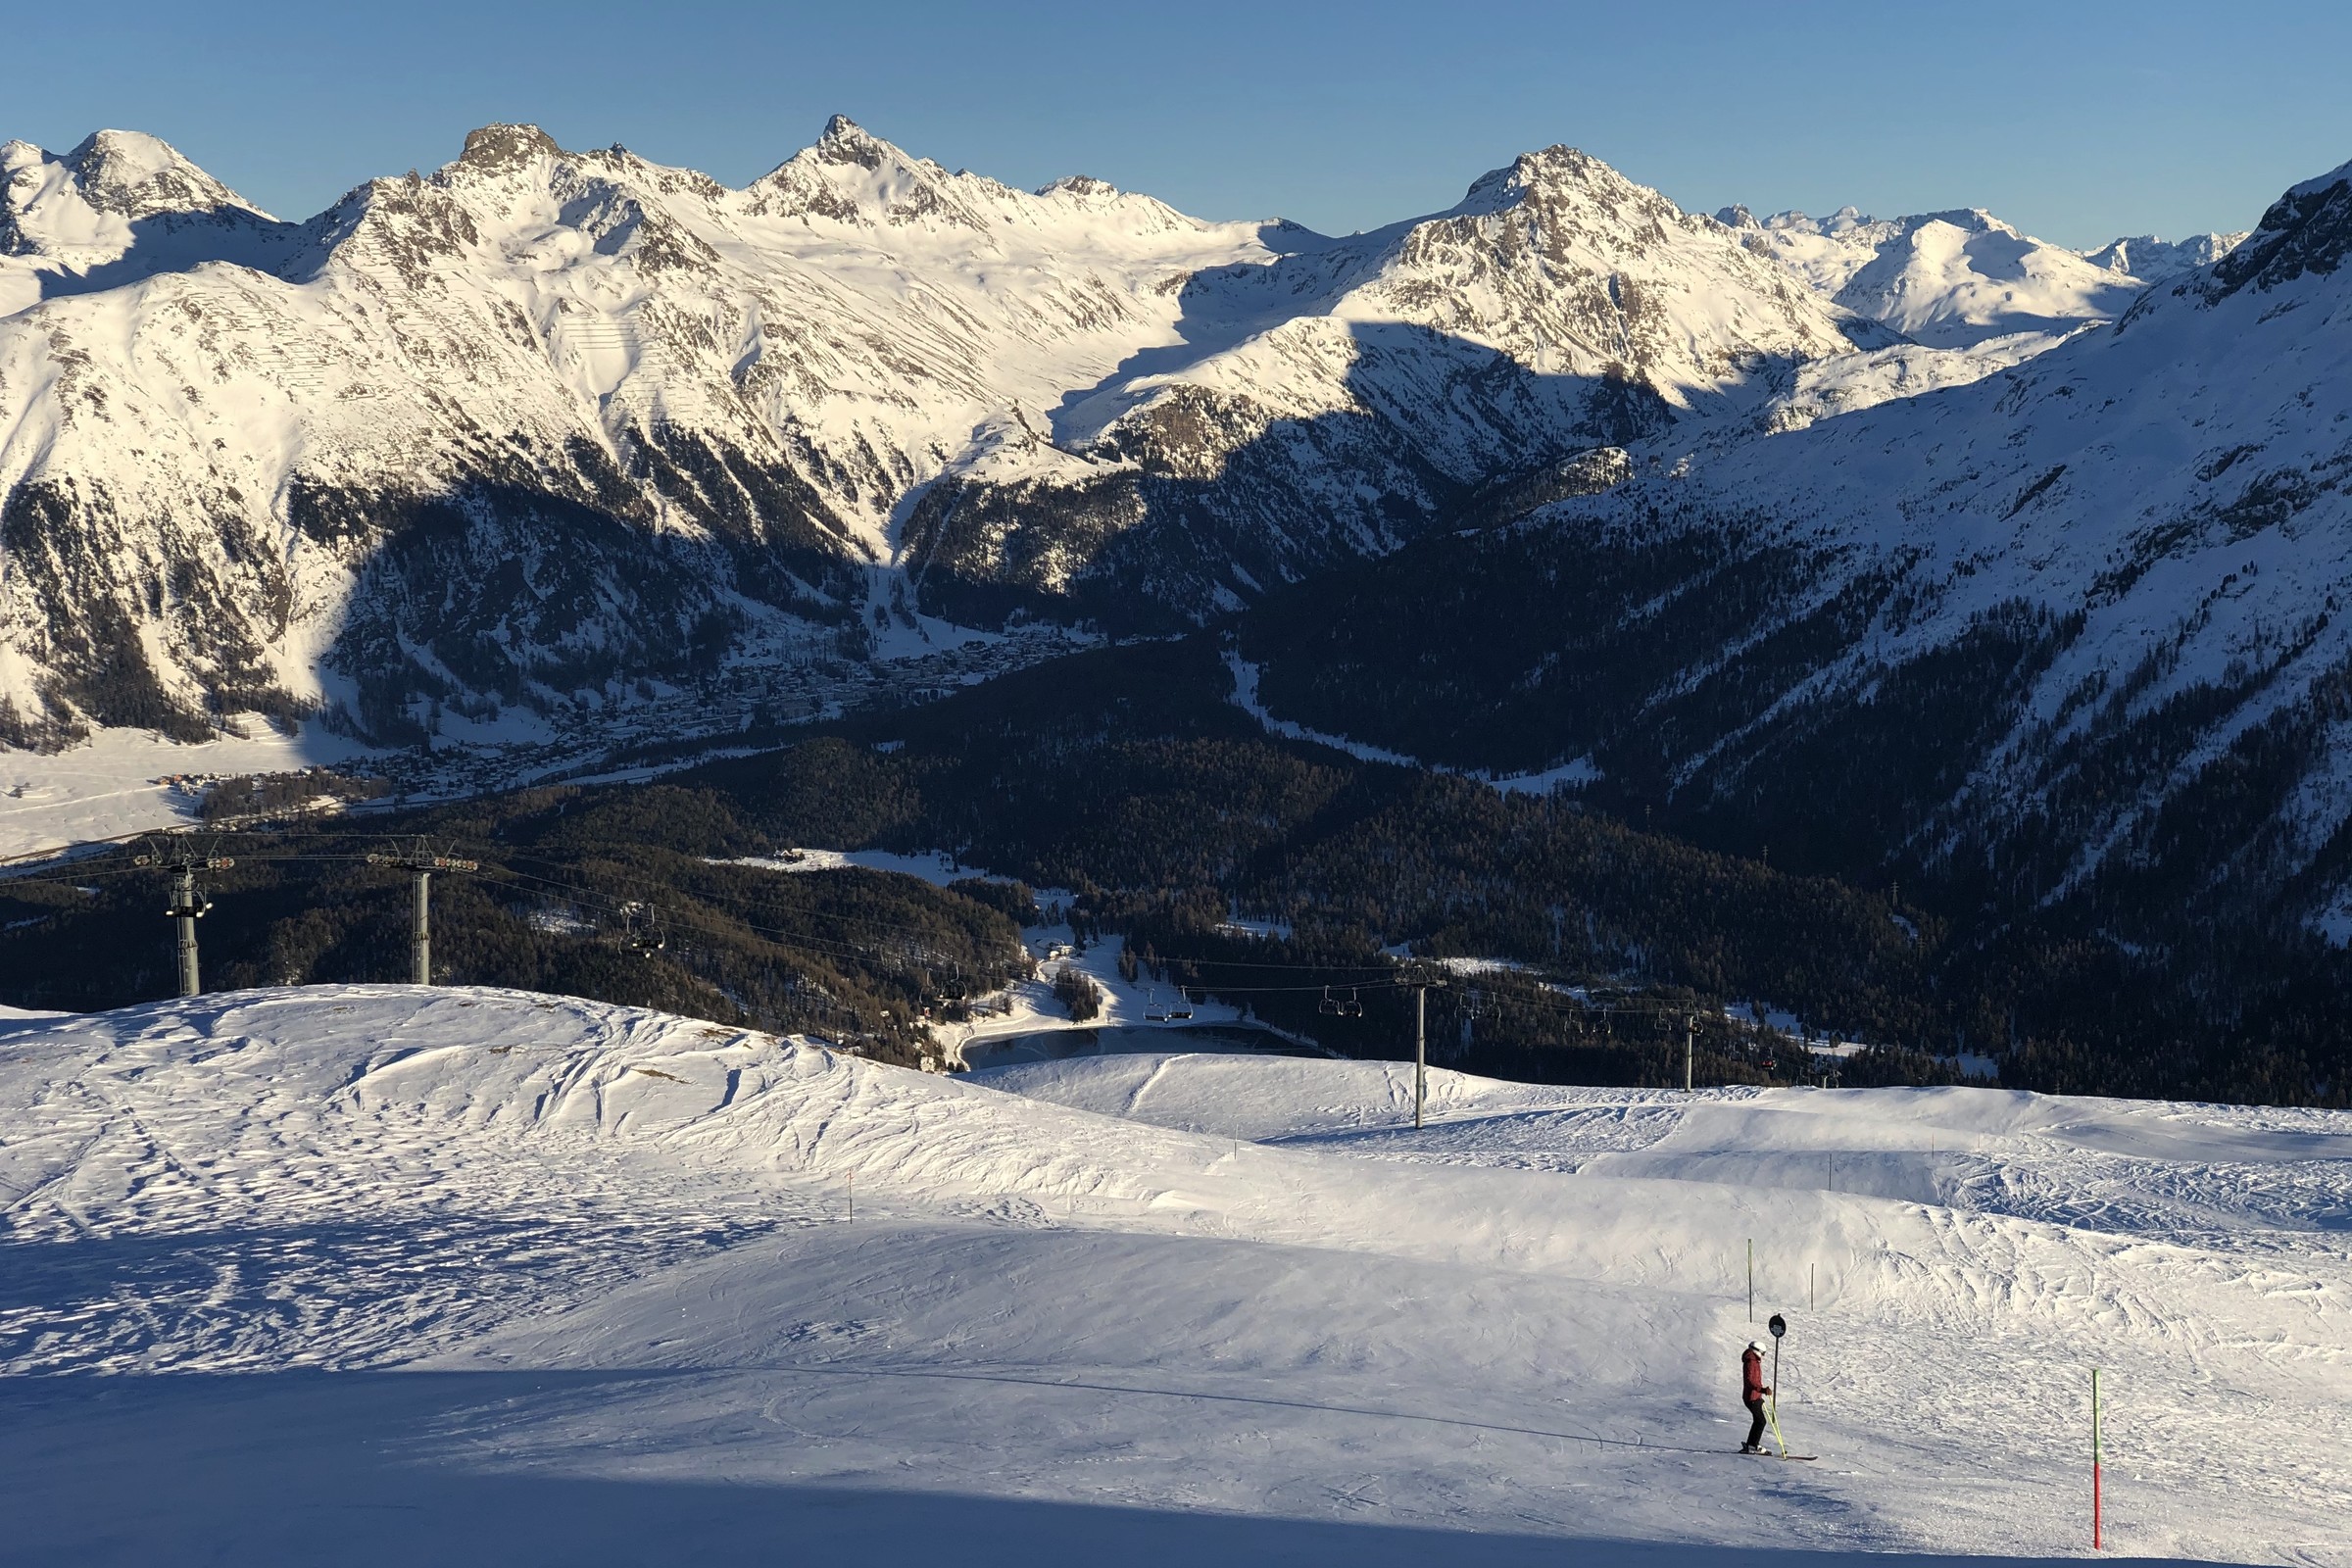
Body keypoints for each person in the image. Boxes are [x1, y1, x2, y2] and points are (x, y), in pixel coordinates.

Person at [1740, 1340, 1772, 1452]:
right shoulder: (1751, 1362)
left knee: (1758, 1421)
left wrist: (1760, 1393)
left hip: (1754, 1396)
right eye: (1763, 1353)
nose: (1762, 1356)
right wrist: (1762, 1390)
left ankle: (1752, 1444)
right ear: (1757, 1351)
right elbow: (1750, 1381)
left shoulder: (1753, 1361)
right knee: (1760, 1421)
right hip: (1751, 1397)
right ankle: (1753, 1445)